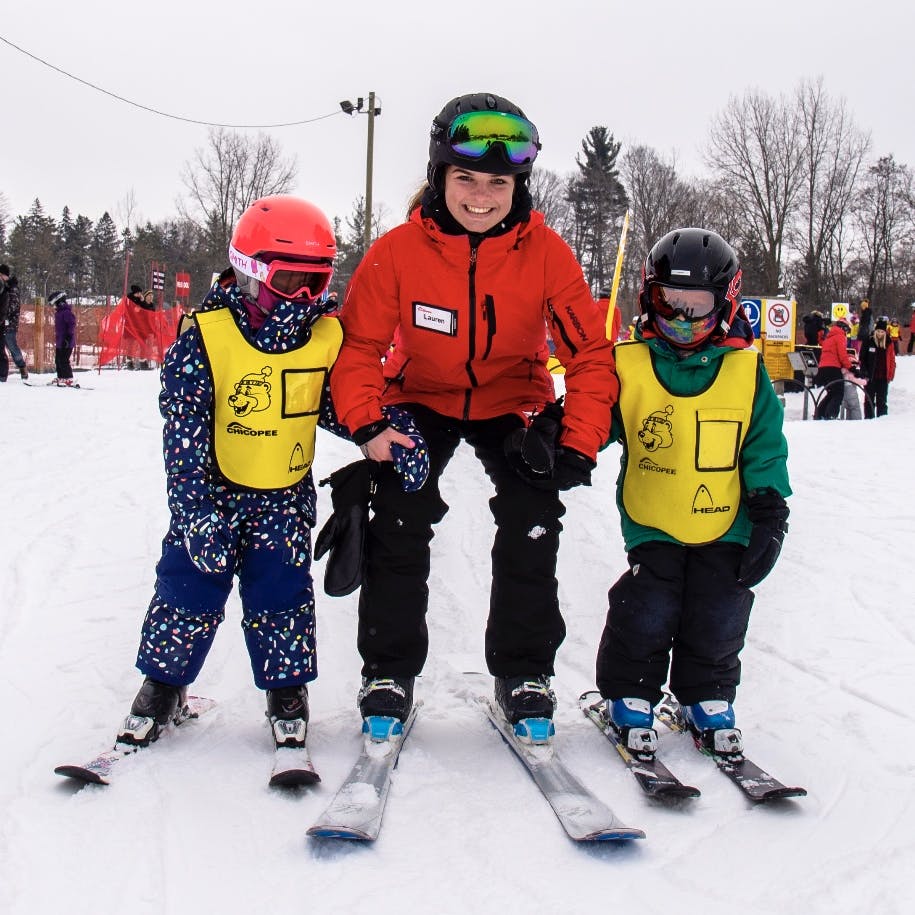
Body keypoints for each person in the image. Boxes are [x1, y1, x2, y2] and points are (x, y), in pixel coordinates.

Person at [328, 92, 616, 736]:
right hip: (420, 395)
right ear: (439, 177)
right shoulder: (398, 252)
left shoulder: (547, 254)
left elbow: (592, 355)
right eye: (466, 179)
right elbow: (359, 348)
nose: (481, 196)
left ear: (519, 184)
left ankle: (522, 671)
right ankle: (389, 671)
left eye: (498, 181)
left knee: (532, 516)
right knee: (399, 513)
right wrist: (370, 424)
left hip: (513, 397)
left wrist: (578, 441)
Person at [114, 195, 350, 760]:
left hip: (283, 499)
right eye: (290, 280)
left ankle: (286, 696)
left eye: (316, 283)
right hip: (213, 495)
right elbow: (184, 428)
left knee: (282, 598)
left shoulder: (324, 339)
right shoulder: (206, 335)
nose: (304, 298)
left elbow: (344, 407)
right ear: (249, 270)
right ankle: (164, 687)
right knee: (185, 592)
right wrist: (194, 510)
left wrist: (391, 429)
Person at [594, 227, 790, 757]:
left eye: (697, 305)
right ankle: (630, 693)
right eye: (669, 303)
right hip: (654, 516)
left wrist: (771, 509)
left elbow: (764, 444)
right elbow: (598, 419)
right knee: (648, 606)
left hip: (729, 520)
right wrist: (562, 440)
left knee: (720, 609)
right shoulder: (631, 363)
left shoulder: (747, 372)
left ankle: (706, 695)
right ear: (648, 298)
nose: (682, 319)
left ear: (724, 304)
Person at [813, 318, 853, 419]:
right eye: (847, 331)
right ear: (844, 328)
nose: (846, 334)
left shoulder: (829, 337)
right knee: (838, 393)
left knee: (831, 393)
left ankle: (819, 414)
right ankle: (831, 416)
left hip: (823, 369)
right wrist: (851, 367)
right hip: (833, 368)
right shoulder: (840, 336)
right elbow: (842, 355)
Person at [861, 317, 896, 417]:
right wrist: (864, 372)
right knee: (869, 400)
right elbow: (862, 358)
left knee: (882, 401)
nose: (880, 334)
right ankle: (869, 419)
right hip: (870, 376)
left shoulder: (889, 343)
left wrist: (890, 375)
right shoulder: (869, 341)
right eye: (878, 331)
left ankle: (882, 420)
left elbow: (892, 360)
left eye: (882, 332)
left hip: (883, 377)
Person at [0, 265, 28, 380]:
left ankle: (22, 367)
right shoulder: (4, 287)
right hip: (2, 322)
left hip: (9, 323)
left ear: (4, 275)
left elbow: (13, 306)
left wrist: (3, 315)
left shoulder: (12, 288)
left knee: (12, 346)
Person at [49, 290, 76, 385]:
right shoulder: (59, 313)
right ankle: (61, 377)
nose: (54, 307)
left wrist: (68, 337)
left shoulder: (66, 312)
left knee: (64, 360)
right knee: (58, 360)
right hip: (60, 341)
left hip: (67, 342)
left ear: (59, 302)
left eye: (54, 304)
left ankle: (68, 377)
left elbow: (71, 324)